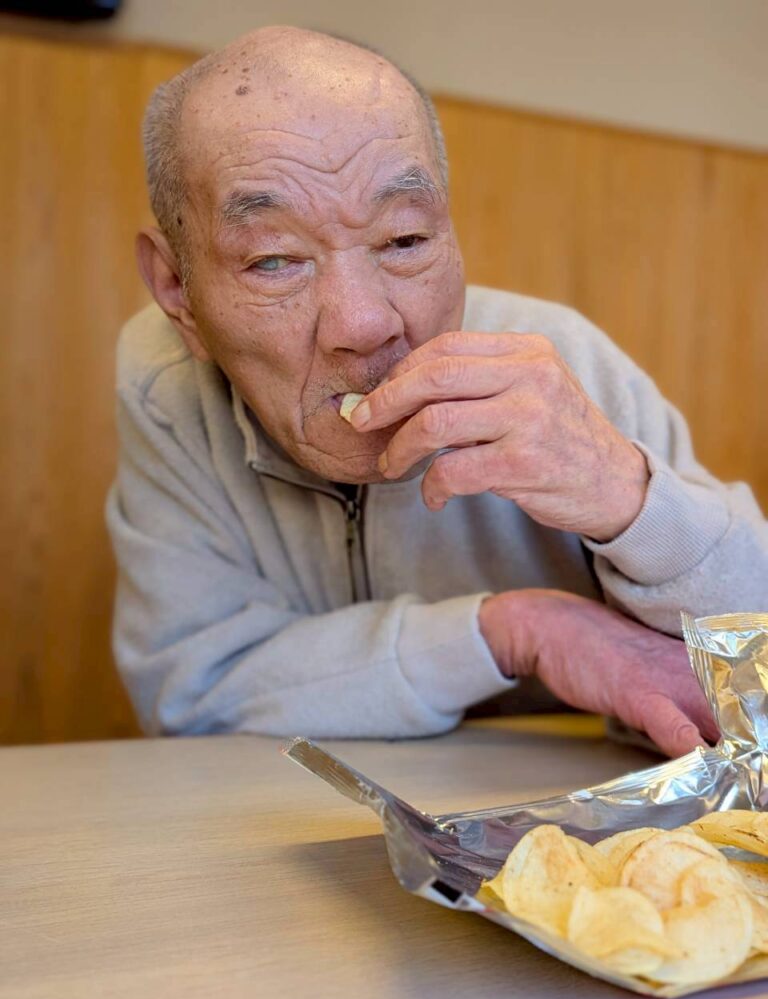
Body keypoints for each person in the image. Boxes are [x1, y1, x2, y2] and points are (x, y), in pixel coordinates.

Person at [107, 26, 765, 756]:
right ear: (178, 292)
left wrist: (626, 494)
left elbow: (753, 663)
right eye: (274, 259)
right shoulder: (169, 386)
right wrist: (515, 632)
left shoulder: (563, 365)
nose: (364, 324)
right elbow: (190, 689)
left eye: (404, 241)